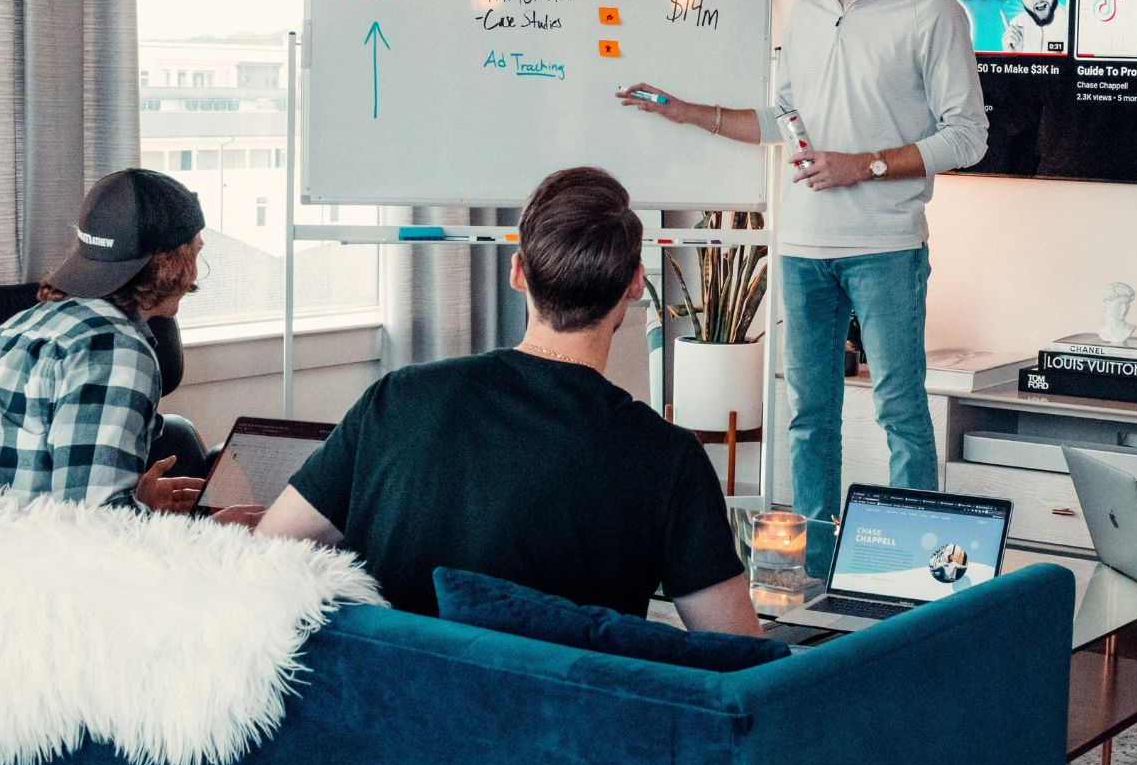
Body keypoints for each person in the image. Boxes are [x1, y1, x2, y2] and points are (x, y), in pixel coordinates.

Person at [614, 0, 987, 532]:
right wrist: (687, 112)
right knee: (809, 419)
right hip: (802, 251)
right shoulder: (811, 12)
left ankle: (914, 581)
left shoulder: (931, 13)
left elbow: (967, 137)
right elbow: (780, 119)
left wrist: (863, 166)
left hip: (887, 250)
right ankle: (812, 581)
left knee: (901, 412)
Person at [257, 167, 761, 637]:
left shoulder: (396, 397)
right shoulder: (668, 459)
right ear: (634, 284)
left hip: (379, 717)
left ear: (517, 272)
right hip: (553, 728)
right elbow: (742, 661)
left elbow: (270, 553)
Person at [0, 168, 212, 514]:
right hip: (31, 564)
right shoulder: (116, 351)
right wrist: (211, 531)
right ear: (170, 263)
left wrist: (139, 500)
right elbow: (97, 526)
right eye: (194, 252)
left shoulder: (7, 333)